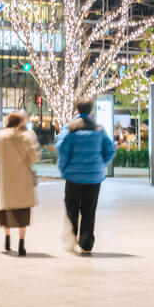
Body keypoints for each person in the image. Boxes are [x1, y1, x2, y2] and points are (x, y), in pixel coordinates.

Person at [55, 101, 116, 255]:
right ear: (90, 111)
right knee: (89, 209)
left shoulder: (70, 128)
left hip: (73, 176)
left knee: (72, 207)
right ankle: (87, 242)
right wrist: (101, 164)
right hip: (94, 178)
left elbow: (62, 149)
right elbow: (110, 149)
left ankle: (72, 237)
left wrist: (63, 168)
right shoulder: (99, 129)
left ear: (77, 109)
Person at [0, 111, 39, 256]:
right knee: (22, 212)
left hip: (5, 179)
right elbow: (34, 157)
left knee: (6, 210)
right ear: (21, 122)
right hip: (22, 179)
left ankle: (7, 238)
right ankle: (22, 243)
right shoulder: (26, 136)